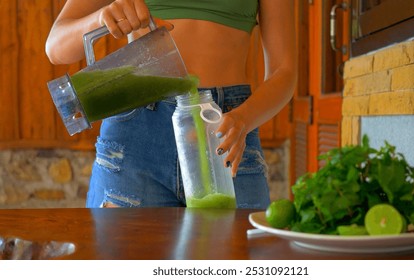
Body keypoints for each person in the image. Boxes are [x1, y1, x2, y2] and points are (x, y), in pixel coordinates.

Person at [46, 0, 296, 209]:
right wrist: (101, 18)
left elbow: (284, 72)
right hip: (137, 130)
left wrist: (244, 119)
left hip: (228, 129)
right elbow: (56, 48)